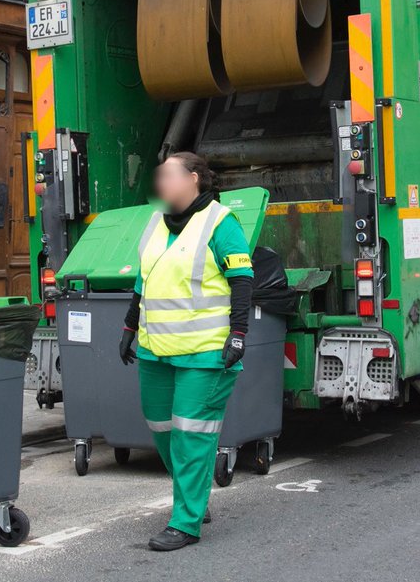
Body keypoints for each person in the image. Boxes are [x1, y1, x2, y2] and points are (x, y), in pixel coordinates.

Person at [119, 152, 253, 551]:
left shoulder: (219, 223)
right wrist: (129, 326)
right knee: (161, 427)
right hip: (156, 349)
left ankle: (186, 523)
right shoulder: (155, 223)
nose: (160, 182)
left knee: (191, 435)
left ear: (193, 179)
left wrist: (239, 334)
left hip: (205, 352)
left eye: (168, 175)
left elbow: (242, 279)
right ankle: (194, 494)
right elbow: (144, 281)